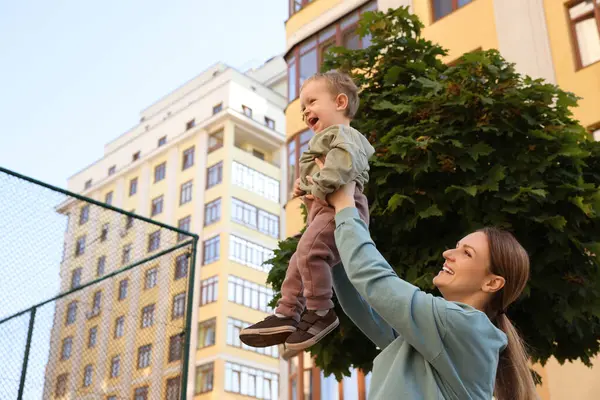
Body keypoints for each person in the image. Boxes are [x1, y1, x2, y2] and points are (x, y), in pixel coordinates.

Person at [325, 177, 538, 399]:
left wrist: (346, 205)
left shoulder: (464, 326)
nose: (448, 254)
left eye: (466, 253)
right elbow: (364, 306)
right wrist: (332, 222)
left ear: (492, 283)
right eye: (456, 247)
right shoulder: (436, 337)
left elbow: (376, 281)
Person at [239, 70, 375, 352]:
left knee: (311, 252)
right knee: (299, 261)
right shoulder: (326, 140)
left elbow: (342, 167)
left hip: (342, 210)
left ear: (339, 102)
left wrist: (317, 185)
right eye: (302, 107)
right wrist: (307, 190)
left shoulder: (344, 135)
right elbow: (327, 176)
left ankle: (321, 311)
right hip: (325, 211)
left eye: (312, 102)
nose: (305, 111)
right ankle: (287, 313)